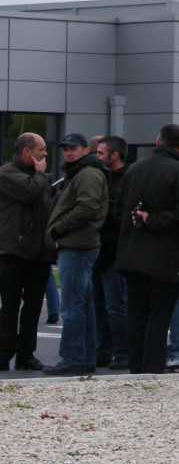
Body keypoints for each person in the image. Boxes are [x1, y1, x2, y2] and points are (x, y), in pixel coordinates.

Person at [115, 124, 179, 374]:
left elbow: (118, 210)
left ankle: (136, 365)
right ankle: (152, 366)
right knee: (160, 314)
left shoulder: (133, 170)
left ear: (157, 140)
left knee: (136, 312)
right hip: (167, 255)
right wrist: (154, 221)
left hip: (132, 252)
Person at [43, 133, 108, 376]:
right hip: (80, 245)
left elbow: (88, 206)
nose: (68, 152)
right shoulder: (81, 172)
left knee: (72, 306)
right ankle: (84, 358)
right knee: (84, 305)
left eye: (73, 148)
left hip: (78, 245)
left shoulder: (88, 173)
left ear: (84, 150)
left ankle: (73, 358)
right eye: (65, 149)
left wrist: (61, 227)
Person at [0, 133, 55, 372]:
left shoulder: (37, 178)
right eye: (41, 150)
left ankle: (26, 354)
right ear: (26, 152)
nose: (45, 155)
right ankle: (3, 353)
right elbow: (30, 192)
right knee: (10, 305)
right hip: (13, 250)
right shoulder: (7, 174)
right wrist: (42, 175)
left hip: (39, 251)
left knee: (33, 306)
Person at [93, 135, 129, 369]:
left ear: (114, 155)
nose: (96, 157)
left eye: (100, 153)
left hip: (114, 250)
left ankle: (122, 351)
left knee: (115, 304)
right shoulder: (102, 177)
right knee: (100, 304)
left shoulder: (124, 179)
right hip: (100, 249)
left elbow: (117, 216)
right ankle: (103, 350)